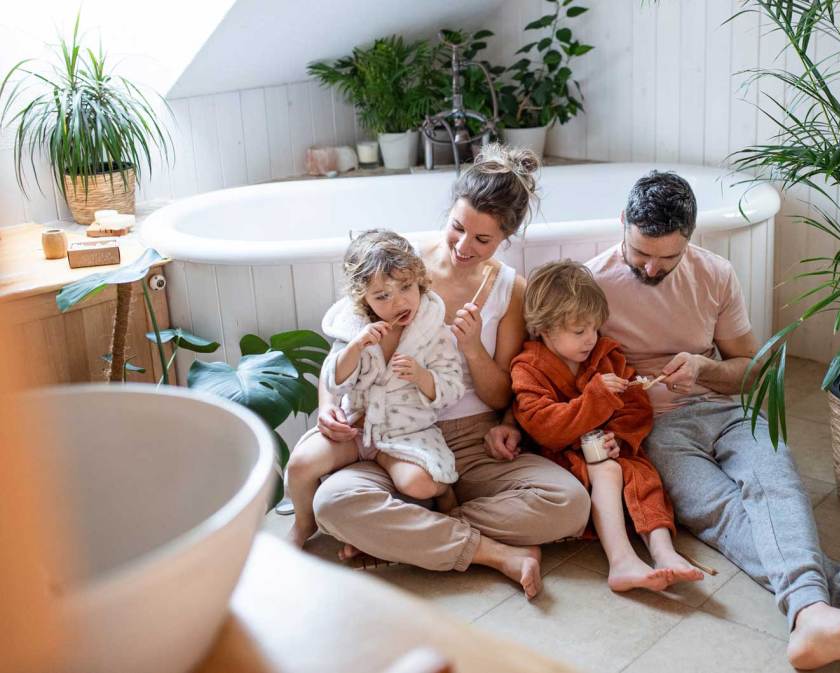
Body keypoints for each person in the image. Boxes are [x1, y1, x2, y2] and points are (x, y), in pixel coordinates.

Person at [582, 171, 840, 670]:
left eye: (668, 257)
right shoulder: (592, 283)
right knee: (727, 513)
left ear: (690, 238)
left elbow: (750, 373)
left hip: (726, 411)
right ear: (623, 222)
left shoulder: (715, 274)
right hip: (654, 429)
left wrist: (705, 369)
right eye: (641, 253)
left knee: (776, 483)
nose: (653, 268)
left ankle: (815, 616)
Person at [298, 145, 591, 599]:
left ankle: (411, 534)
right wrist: (326, 406)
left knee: (570, 504)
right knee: (332, 503)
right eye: (457, 227)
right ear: (451, 211)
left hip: (471, 442)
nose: (462, 246)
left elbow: (501, 396)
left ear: (506, 238)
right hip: (391, 435)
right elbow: (342, 346)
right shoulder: (401, 267)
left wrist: (472, 348)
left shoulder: (510, 290)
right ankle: (491, 552)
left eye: (482, 240)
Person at [509, 261, 705, 593]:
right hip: (561, 457)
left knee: (643, 475)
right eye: (579, 331)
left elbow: (636, 406)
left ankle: (664, 552)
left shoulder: (606, 355)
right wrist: (595, 398)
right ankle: (621, 561)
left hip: (610, 450)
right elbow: (544, 427)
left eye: (594, 328)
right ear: (544, 328)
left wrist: (620, 439)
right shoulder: (528, 368)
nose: (590, 339)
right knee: (608, 471)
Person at [287, 230, 464, 548]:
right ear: (363, 299)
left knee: (419, 484)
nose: (399, 302)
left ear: (419, 281)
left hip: (406, 432)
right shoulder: (354, 330)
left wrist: (422, 376)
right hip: (356, 429)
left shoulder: (432, 331)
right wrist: (355, 348)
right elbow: (332, 378)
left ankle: (444, 492)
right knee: (300, 464)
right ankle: (303, 523)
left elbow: (453, 386)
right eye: (382, 296)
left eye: (406, 287)